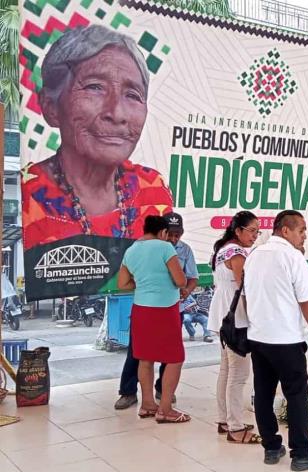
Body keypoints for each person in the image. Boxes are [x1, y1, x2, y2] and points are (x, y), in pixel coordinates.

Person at [22, 24, 173, 249]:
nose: (116, 113)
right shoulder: (25, 194)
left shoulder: (152, 189)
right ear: (51, 106)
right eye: (94, 87)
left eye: (132, 94)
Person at [243, 210, 308, 471]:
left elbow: (249, 294)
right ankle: (302, 453)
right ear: (285, 230)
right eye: (301, 230)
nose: (304, 236)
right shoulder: (292, 257)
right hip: (285, 339)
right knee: (296, 394)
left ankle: (271, 447)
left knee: (263, 393)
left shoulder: (255, 255)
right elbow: (307, 300)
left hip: (258, 337)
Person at [114, 212, 199, 409]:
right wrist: (174, 284)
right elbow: (180, 280)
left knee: (144, 357)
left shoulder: (132, 250)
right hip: (166, 310)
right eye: (170, 233)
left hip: (142, 308)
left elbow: (122, 283)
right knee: (174, 357)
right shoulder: (165, 248)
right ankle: (166, 409)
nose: (173, 238)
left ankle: (147, 404)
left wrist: (144, 284)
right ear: (162, 232)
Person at [208, 211, 261, 444]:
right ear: (237, 230)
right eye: (251, 231)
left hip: (222, 315)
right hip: (235, 317)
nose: (255, 236)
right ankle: (236, 427)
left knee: (226, 370)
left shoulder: (222, 250)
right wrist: (256, 317)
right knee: (238, 374)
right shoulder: (237, 253)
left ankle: (225, 419)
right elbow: (244, 288)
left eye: (257, 232)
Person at [165, 213, 202, 339]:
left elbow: (193, 277)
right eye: (169, 234)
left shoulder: (185, 249)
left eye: (177, 235)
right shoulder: (153, 249)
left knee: (171, 344)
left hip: (176, 307)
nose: (173, 239)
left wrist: (187, 291)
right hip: (153, 306)